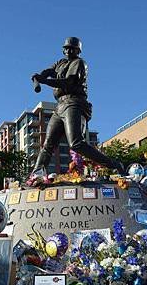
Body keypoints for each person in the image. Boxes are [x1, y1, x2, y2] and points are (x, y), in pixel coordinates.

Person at [30, 37, 125, 180]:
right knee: (48, 144)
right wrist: (40, 76)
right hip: (60, 106)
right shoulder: (60, 62)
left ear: (78, 50)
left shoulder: (79, 63)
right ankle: (36, 175)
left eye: (72, 48)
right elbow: (49, 71)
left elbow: (69, 82)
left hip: (74, 102)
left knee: (76, 143)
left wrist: (44, 81)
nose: (68, 50)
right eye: (66, 48)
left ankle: (115, 165)